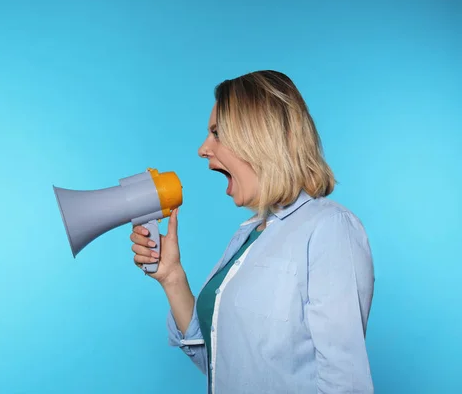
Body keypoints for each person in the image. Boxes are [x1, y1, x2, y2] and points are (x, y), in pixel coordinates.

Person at [129, 70, 375, 394]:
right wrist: (171, 275)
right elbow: (225, 368)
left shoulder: (329, 230)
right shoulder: (250, 235)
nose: (203, 149)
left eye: (216, 132)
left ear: (259, 137)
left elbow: (346, 385)